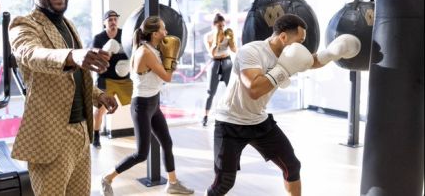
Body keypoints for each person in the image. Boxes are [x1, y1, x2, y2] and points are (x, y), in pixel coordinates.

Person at [205, 14, 361, 196]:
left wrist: (333, 52)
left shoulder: (288, 54)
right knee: (224, 183)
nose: (301, 46)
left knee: (292, 166)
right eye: (299, 41)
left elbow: (311, 60)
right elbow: (254, 90)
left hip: (259, 122)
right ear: (283, 37)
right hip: (230, 123)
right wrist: (284, 69)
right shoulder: (251, 52)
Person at [9, 0, 118, 195]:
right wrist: (72, 55)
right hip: (50, 137)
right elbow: (31, 53)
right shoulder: (24, 24)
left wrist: (99, 96)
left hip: (81, 131)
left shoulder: (68, 24)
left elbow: (76, 77)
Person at [100, 16, 194, 196]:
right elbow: (167, 77)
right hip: (142, 105)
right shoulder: (145, 53)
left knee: (167, 142)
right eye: (163, 29)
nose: (166, 33)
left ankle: (172, 183)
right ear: (154, 33)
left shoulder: (152, 49)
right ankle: (107, 177)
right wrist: (172, 60)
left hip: (153, 102)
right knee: (142, 154)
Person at [91, 10, 132, 149]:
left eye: (115, 19)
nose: (113, 22)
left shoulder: (125, 35)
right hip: (105, 78)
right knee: (100, 109)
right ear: (105, 23)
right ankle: (96, 136)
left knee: (139, 104)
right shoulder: (99, 38)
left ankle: (144, 131)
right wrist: (106, 53)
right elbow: (95, 60)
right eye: (110, 20)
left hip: (124, 78)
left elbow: (132, 51)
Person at [202, 13, 237, 126]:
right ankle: (205, 116)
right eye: (219, 26)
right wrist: (217, 39)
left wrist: (231, 39)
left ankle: (233, 115)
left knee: (231, 89)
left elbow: (234, 49)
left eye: (223, 25)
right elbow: (212, 53)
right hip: (215, 62)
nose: (222, 28)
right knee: (211, 92)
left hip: (227, 61)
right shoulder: (208, 36)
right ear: (214, 25)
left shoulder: (228, 33)